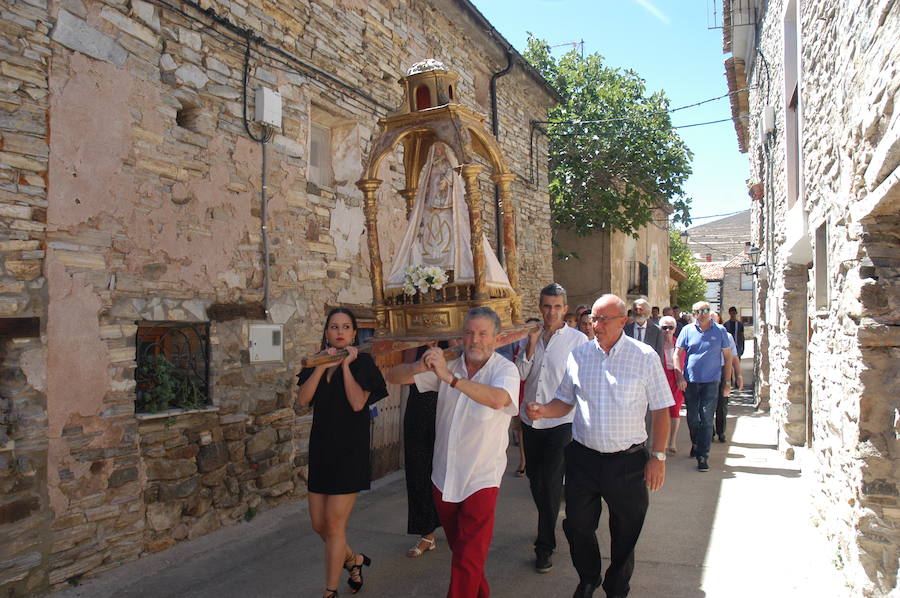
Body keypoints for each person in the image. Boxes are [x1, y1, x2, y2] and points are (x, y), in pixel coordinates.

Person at [526, 294, 673, 598]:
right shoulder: (579, 355)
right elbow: (564, 400)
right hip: (584, 459)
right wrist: (544, 410)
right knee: (577, 525)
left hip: (628, 461)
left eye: (604, 319)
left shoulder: (644, 356)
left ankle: (617, 586)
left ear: (623, 321)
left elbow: (661, 409)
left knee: (626, 530)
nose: (596, 325)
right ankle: (588, 577)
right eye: (594, 318)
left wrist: (658, 456)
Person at [386, 307, 519, 598]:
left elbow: (498, 400)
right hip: (444, 478)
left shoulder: (504, 370)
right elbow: (393, 377)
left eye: (483, 333)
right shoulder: (450, 366)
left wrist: (451, 379)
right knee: (464, 555)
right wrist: (419, 365)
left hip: (481, 480)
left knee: (467, 560)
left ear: (496, 338)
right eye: (469, 333)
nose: (475, 339)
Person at [296, 308, 388, 598]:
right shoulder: (317, 362)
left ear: (354, 333)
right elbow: (303, 399)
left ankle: (330, 590)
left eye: (346, 327)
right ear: (326, 332)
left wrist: (346, 366)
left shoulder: (364, 364)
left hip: (350, 452)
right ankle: (353, 560)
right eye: (334, 326)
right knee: (319, 525)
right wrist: (322, 365)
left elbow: (358, 403)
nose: (340, 332)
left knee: (335, 525)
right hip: (322, 450)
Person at [517, 283, 587, 574]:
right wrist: (531, 345)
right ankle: (547, 520)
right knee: (535, 480)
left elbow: (583, 380)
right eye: (547, 306)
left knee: (550, 481)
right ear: (540, 307)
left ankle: (544, 545)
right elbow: (520, 374)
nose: (551, 312)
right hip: (531, 420)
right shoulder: (530, 336)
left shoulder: (578, 340)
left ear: (565, 309)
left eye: (557, 307)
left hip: (560, 421)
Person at [674, 301, 733, 472]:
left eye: (706, 310)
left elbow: (728, 357)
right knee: (693, 418)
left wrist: (727, 382)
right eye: (699, 311)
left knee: (706, 418)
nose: (703, 313)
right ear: (693, 314)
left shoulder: (720, 331)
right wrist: (679, 376)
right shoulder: (687, 330)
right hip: (690, 381)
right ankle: (696, 443)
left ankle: (703, 456)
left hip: (711, 382)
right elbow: (677, 355)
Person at [403, 345, 442, 559]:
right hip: (418, 407)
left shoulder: (456, 335)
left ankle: (456, 524)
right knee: (418, 469)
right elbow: (405, 371)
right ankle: (427, 532)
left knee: (450, 469)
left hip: (447, 407)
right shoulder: (417, 338)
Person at [658, 316, 685, 453]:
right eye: (664, 327)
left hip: (675, 379)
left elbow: (684, 362)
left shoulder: (679, 345)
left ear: (675, 329)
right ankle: (662, 442)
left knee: (675, 410)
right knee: (662, 411)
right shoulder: (656, 345)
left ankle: (672, 441)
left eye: (670, 327)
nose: (667, 330)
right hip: (661, 379)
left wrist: (682, 378)